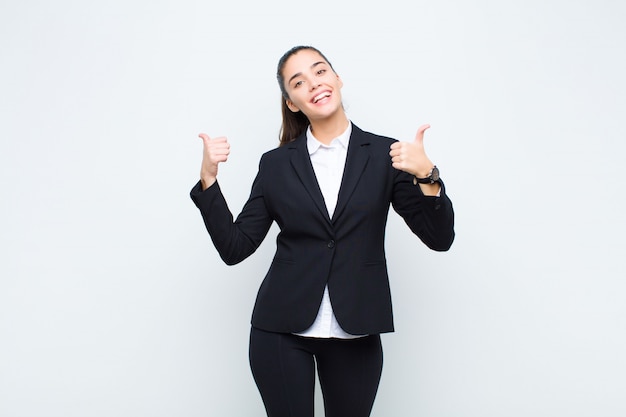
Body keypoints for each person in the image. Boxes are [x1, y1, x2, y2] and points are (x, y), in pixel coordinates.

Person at [190, 45, 455, 417]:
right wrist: (208, 181)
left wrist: (428, 175)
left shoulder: (386, 155)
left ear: (337, 78)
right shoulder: (276, 164)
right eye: (298, 82)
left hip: (357, 329)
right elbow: (236, 247)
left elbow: (439, 238)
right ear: (292, 102)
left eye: (320, 71)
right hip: (280, 331)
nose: (314, 84)